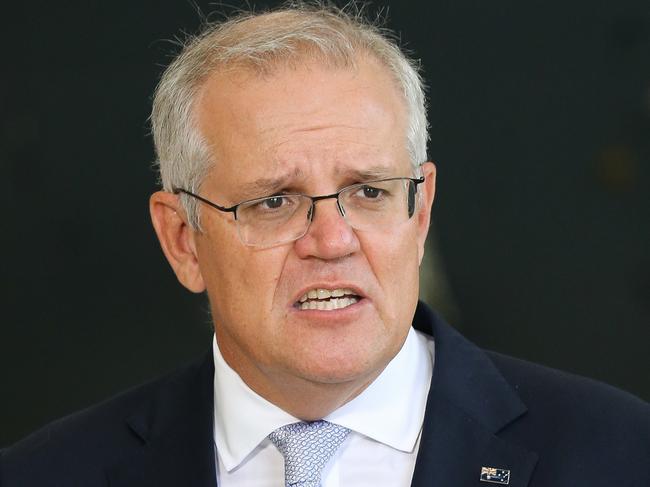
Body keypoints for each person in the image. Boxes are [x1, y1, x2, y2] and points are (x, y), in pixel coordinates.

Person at [1, 4, 648, 487]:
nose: (333, 240)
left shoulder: (622, 454)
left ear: (419, 211)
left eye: (368, 191)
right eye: (274, 200)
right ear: (182, 241)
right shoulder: (46, 474)